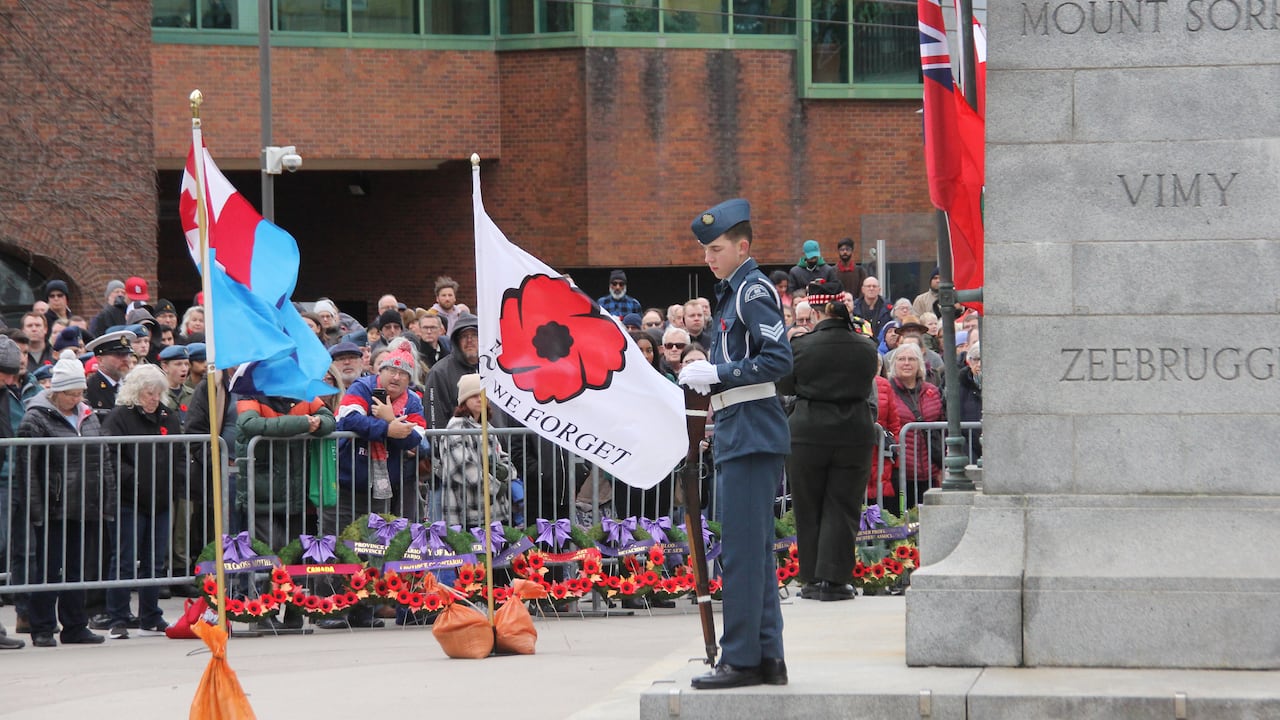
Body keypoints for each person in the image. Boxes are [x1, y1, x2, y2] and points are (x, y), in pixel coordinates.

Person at [678, 198, 791, 690]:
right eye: (705, 249)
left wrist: (719, 372)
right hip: (741, 428)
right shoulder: (732, 293)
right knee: (753, 552)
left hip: (751, 429)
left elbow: (779, 359)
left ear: (743, 246)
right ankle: (767, 656)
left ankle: (742, 658)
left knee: (744, 553)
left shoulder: (751, 289)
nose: (709, 256)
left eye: (717, 247)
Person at [778, 280, 878, 603]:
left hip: (808, 431)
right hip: (853, 431)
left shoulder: (801, 347)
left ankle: (811, 579)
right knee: (843, 505)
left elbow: (785, 384)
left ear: (818, 310)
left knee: (808, 506)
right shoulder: (866, 346)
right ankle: (835, 580)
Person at [319, 346, 426, 630]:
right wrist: (387, 430)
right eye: (392, 370)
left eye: (404, 373)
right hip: (345, 481)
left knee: (372, 548)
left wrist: (390, 421)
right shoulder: (361, 388)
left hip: (380, 487)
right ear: (380, 371)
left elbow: (415, 437)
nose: (397, 377)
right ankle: (331, 610)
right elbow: (348, 418)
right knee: (336, 544)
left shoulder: (413, 401)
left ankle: (364, 611)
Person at [17, 350, 114, 647]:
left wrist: (106, 500)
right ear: (56, 391)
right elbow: (28, 469)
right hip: (52, 505)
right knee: (48, 569)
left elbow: (104, 460)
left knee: (77, 568)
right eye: (70, 394)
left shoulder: (88, 416)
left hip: (85, 504)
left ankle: (75, 624)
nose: (76, 399)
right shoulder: (35, 418)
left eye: (79, 393)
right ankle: (43, 626)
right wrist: (36, 508)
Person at [100, 365, 182, 639]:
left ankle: (150, 615)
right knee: (124, 560)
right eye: (149, 394)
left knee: (154, 560)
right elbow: (110, 454)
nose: (154, 399)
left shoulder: (167, 416)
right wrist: (132, 479)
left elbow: (179, 452)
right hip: (128, 499)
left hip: (160, 498)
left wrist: (176, 481)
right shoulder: (119, 417)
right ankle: (118, 617)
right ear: (136, 392)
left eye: (158, 394)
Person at [438, 374, 514, 527]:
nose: (480, 399)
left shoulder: (487, 426)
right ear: (463, 401)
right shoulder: (456, 426)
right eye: (473, 395)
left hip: (496, 513)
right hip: (467, 514)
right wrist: (497, 488)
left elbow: (505, 459)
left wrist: (505, 472)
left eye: (483, 395)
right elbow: (464, 468)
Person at [885, 343, 944, 509]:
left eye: (911, 359)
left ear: (919, 363)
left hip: (931, 470)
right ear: (893, 363)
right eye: (901, 359)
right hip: (900, 472)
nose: (906, 363)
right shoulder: (887, 390)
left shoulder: (932, 391)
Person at [425, 312, 478, 429]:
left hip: (496, 445)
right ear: (456, 341)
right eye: (464, 336)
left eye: (474, 335)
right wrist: (440, 445)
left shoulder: (493, 369)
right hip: (457, 445)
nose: (469, 340)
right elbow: (435, 421)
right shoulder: (439, 373)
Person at [84, 329, 137, 417]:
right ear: (100, 360)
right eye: (118, 354)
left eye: (128, 354)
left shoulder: (133, 385)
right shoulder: (89, 389)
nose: (125, 359)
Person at [958, 340, 982, 462]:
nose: (979, 364)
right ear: (969, 361)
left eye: (983, 359)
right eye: (976, 359)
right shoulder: (961, 385)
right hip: (968, 447)